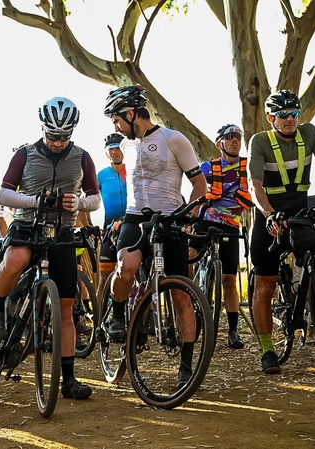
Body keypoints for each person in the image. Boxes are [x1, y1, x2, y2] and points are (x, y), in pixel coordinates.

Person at [0, 97, 101, 400]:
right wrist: (35, 201)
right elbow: (4, 194)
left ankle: (69, 380)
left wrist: (78, 203)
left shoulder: (83, 157)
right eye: (52, 136)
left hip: (62, 232)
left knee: (65, 308)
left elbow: (95, 199)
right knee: (15, 260)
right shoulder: (25, 154)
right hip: (27, 227)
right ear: (43, 128)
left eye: (64, 137)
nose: (58, 143)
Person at [103, 85, 207, 387]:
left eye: (116, 120)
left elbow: (199, 185)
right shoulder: (127, 145)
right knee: (126, 266)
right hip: (136, 217)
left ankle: (186, 365)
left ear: (131, 113)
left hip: (171, 217)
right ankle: (118, 315)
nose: (116, 127)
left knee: (180, 293)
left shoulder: (174, 139)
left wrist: (188, 217)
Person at [247, 90, 315, 374]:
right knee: (265, 284)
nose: (290, 119)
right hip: (270, 215)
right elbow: (254, 185)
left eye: (294, 113)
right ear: (271, 118)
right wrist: (268, 214)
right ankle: (268, 350)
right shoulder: (260, 141)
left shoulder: (309, 133)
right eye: (283, 115)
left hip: (301, 214)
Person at [189, 124, 252, 350]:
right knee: (189, 257)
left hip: (230, 226)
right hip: (205, 222)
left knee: (229, 280)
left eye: (238, 136)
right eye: (230, 136)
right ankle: (189, 301)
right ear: (219, 143)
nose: (235, 140)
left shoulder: (248, 166)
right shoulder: (208, 167)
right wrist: (190, 217)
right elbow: (196, 189)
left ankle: (233, 331)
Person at [96, 133, 127, 299]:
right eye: (111, 149)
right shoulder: (101, 176)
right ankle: (98, 314)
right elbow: (87, 199)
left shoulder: (133, 172)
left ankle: (147, 312)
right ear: (106, 152)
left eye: (118, 148)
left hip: (132, 226)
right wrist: (88, 225)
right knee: (104, 280)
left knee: (138, 277)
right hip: (109, 229)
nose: (114, 152)